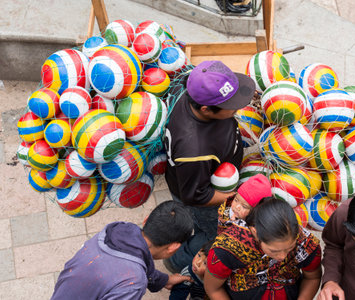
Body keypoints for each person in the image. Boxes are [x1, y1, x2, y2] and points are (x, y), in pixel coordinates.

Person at [164, 60, 256, 272]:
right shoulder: (194, 149)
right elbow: (195, 196)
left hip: (194, 176)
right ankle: (176, 261)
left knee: (196, 225)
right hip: (201, 197)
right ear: (206, 109)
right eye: (231, 105)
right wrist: (235, 197)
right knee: (213, 234)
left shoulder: (188, 88)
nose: (238, 107)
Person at [51, 201, 194, 300]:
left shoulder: (116, 231)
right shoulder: (133, 283)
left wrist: (164, 280)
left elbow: (136, 261)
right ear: (173, 247)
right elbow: (130, 274)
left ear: (146, 220)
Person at [205, 197, 322, 300]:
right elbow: (213, 289)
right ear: (255, 232)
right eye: (274, 251)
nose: (283, 257)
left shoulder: (305, 243)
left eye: (290, 248)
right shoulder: (228, 249)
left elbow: (312, 277)